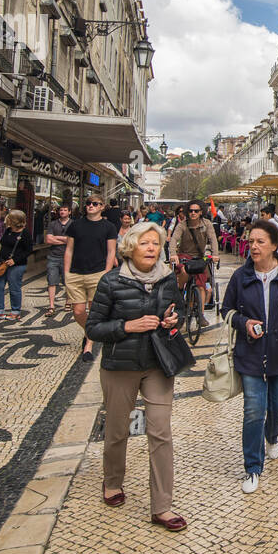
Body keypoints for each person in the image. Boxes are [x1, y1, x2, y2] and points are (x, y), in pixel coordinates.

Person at [84, 221, 187, 531]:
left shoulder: (167, 279)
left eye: (156, 243)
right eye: (145, 243)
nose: (151, 248)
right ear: (131, 247)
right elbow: (93, 328)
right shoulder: (111, 281)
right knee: (117, 430)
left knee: (161, 432)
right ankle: (112, 481)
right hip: (120, 366)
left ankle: (162, 506)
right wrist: (126, 327)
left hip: (158, 363)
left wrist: (173, 320)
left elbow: (178, 310)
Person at [221, 219, 278, 495]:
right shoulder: (241, 277)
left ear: (275, 245)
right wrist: (244, 323)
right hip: (250, 352)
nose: (253, 246)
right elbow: (227, 310)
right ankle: (252, 466)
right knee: (253, 410)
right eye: (251, 241)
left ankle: (271, 436)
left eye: (260, 241)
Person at [64, 196, 120, 361]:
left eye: (95, 204)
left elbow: (111, 252)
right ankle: (91, 332)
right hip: (75, 272)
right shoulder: (75, 225)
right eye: (88, 203)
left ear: (102, 207)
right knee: (78, 311)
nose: (91, 206)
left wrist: (106, 273)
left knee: (94, 310)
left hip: (97, 272)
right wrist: (66, 273)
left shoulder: (108, 227)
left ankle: (88, 345)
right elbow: (69, 250)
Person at [171, 200, 220, 319]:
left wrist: (215, 254)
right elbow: (174, 239)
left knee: (201, 286)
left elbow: (213, 239)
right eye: (191, 211)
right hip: (184, 256)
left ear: (201, 212)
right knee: (183, 272)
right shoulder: (183, 224)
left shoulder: (207, 224)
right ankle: (180, 290)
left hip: (199, 258)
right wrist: (173, 254)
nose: (193, 213)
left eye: (196, 211)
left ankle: (201, 314)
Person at [0, 209, 32, 321]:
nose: (6, 218)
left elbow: (28, 250)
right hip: (2, 263)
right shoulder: (8, 230)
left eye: (9, 217)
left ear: (14, 220)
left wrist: (14, 260)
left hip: (17, 265)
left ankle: (15, 311)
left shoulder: (25, 233)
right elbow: (3, 244)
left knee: (14, 288)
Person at [43, 203, 73, 317]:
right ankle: (51, 305)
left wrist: (56, 238)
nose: (62, 212)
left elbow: (72, 240)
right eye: (61, 210)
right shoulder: (53, 224)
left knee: (68, 281)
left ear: (69, 212)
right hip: (53, 256)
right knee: (51, 281)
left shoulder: (73, 225)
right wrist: (65, 240)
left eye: (65, 210)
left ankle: (68, 302)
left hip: (68, 256)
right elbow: (48, 240)